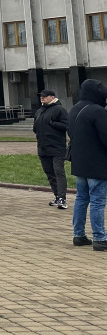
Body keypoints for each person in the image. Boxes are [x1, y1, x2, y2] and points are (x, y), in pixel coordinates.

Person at [67, 79, 107, 251]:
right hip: (97, 164)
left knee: (82, 199)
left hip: (79, 163)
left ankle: (79, 235)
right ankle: (99, 238)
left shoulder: (74, 109)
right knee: (98, 201)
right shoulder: (98, 111)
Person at [33, 89, 69, 209]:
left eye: (44, 96)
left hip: (57, 148)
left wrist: (53, 124)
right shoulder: (39, 111)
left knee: (59, 172)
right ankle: (57, 196)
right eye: (40, 96)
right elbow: (35, 127)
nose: (41, 98)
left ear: (52, 97)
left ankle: (63, 199)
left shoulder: (59, 110)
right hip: (43, 148)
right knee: (49, 173)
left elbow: (67, 125)